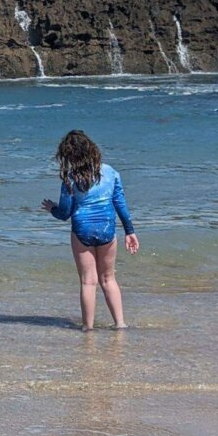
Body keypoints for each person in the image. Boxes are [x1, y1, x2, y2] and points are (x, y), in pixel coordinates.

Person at [41, 129, 139, 331]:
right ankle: (120, 324)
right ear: (92, 149)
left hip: (82, 230)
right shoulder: (110, 172)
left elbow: (65, 213)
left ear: (69, 156)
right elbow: (120, 203)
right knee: (108, 279)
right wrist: (130, 231)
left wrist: (52, 209)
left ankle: (88, 327)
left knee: (88, 281)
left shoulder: (70, 179)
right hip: (107, 229)